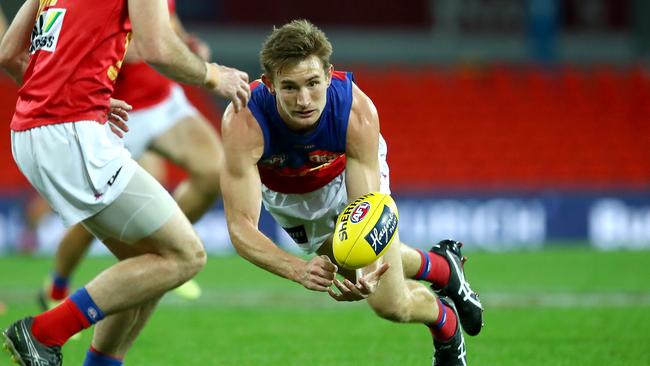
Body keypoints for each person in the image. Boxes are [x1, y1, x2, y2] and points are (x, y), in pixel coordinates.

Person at [220, 19, 482, 366]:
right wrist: (298, 270)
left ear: (329, 75)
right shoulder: (243, 122)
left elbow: (366, 209)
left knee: (389, 304)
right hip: (290, 195)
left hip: (345, 174)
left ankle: (445, 326)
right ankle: (443, 269)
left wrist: (367, 268)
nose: (304, 100)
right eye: (290, 87)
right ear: (268, 84)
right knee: (353, 266)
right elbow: (241, 228)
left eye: (313, 83)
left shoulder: (356, 112)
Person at [0, 0, 249, 365]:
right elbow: (157, 48)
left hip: (33, 131)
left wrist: (77, 99)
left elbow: (9, 53)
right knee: (185, 256)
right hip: (71, 134)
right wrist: (214, 74)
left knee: (147, 272)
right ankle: (42, 332)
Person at [38, 0, 221, 312]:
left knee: (214, 171)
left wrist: (188, 44)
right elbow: (144, 48)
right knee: (94, 215)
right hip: (118, 114)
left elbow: (168, 24)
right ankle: (56, 286)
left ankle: (168, 250)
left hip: (163, 102)